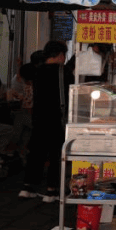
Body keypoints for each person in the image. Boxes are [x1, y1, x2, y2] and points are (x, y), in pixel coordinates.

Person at [20, 40, 72, 202]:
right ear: (60, 55)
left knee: (36, 152)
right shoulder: (64, 72)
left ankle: (27, 188)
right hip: (57, 118)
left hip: (39, 118)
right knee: (57, 154)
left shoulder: (38, 71)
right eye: (64, 54)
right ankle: (51, 191)